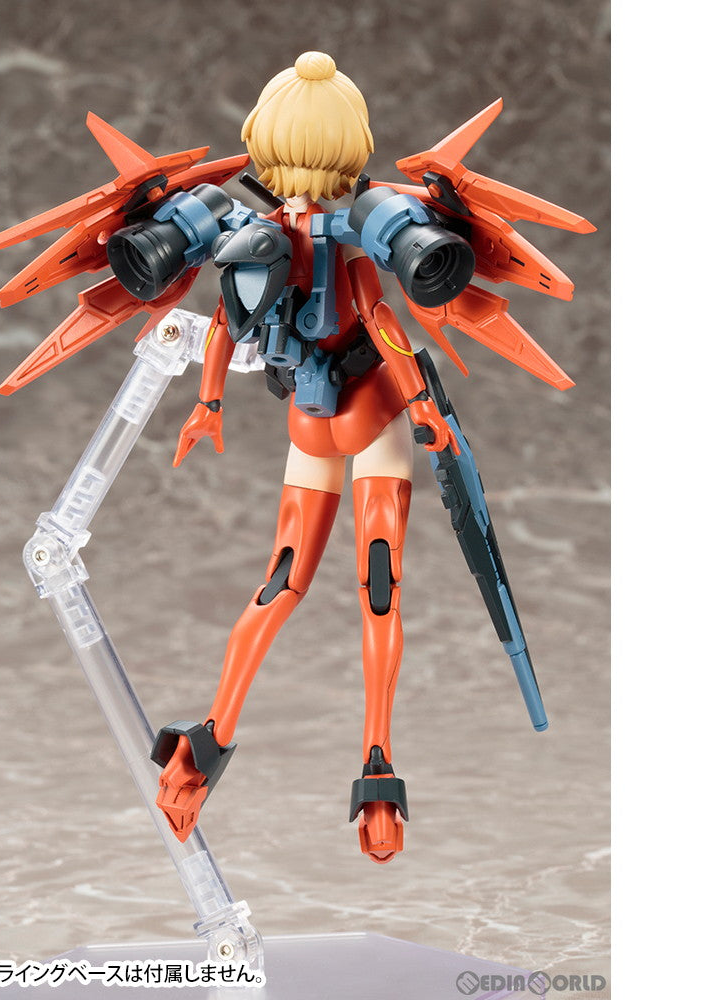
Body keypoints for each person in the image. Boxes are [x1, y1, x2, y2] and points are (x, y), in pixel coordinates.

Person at [155, 52, 458, 864]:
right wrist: (422, 406)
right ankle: (370, 770)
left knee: (295, 585)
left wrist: (211, 403)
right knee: (366, 592)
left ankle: (213, 745)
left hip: (325, 418)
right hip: (360, 418)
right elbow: (381, 325)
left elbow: (237, 320)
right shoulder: (345, 239)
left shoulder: (260, 238)